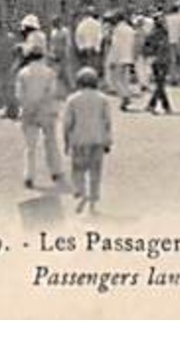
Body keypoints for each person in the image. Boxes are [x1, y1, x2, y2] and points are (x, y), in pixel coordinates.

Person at [62, 68, 113, 215]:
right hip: (97, 139)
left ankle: (81, 192)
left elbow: (67, 123)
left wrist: (66, 141)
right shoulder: (102, 99)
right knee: (95, 172)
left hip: (79, 140)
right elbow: (107, 122)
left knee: (78, 170)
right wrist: (108, 141)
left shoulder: (72, 99)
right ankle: (93, 203)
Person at [14, 49, 63, 190]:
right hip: (46, 110)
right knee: (51, 142)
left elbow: (19, 94)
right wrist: (41, 104)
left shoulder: (22, 73)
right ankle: (56, 171)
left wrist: (29, 106)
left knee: (30, 146)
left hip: (28, 111)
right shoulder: (49, 72)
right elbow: (51, 92)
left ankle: (29, 176)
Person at [105, 13, 138, 110]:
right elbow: (134, 44)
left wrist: (112, 59)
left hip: (119, 57)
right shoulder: (130, 29)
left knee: (116, 79)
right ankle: (126, 95)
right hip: (128, 56)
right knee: (124, 79)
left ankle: (125, 97)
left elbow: (115, 45)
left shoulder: (117, 31)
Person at [143, 15, 174, 115]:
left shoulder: (159, 34)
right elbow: (146, 48)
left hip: (160, 61)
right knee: (160, 84)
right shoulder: (155, 35)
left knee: (159, 84)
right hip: (159, 61)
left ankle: (153, 104)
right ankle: (164, 106)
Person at [74, 10, 104, 74]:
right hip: (94, 48)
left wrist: (81, 47)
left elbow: (78, 36)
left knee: (86, 66)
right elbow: (100, 36)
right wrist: (97, 47)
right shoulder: (97, 24)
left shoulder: (81, 24)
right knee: (94, 65)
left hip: (85, 48)